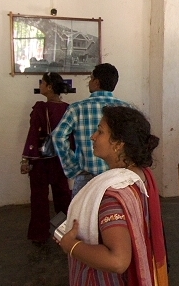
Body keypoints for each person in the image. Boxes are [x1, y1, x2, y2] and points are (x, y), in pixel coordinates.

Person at [55, 105, 170, 286]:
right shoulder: (140, 175)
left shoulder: (112, 196)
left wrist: (71, 245)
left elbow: (118, 260)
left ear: (118, 144)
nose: (93, 136)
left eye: (100, 131)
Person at [51, 63, 129, 197]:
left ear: (96, 82)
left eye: (90, 78)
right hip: (118, 177)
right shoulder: (126, 109)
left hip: (87, 178)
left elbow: (58, 137)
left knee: (82, 216)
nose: (89, 82)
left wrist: (73, 169)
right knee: (115, 214)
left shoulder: (77, 108)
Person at [20, 72, 72, 244]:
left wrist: (26, 159)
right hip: (61, 159)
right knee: (63, 196)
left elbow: (33, 134)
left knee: (39, 198)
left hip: (41, 160)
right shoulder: (68, 108)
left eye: (42, 82)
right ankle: (65, 233)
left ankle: (39, 234)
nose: (40, 85)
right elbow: (71, 137)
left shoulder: (40, 108)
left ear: (49, 87)